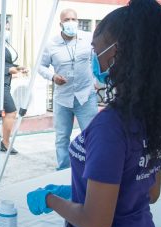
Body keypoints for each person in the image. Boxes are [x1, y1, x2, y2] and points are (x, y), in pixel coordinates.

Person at [27, 0, 161, 227]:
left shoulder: (110, 126)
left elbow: (96, 223)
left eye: (96, 48)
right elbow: (150, 192)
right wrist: (79, 194)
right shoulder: (150, 113)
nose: (93, 58)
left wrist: (51, 199)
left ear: (116, 53)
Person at [39, 9, 98, 170]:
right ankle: (63, 169)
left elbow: (97, 59)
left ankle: (91, 168)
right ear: (61, 23)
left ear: (78, 21)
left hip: (86, 96)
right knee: (61, 137)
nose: (71, 22)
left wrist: (95, 79)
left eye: (73, 19)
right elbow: (40, 66)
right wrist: (52, 77)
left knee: (92, 135)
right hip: (63, 99)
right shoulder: (51, 44)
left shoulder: (88, 38)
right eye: (67, 19)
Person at [0, 19, 26, 155]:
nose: (8, 31)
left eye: (9, 28)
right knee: (11, 111)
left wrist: (17, 68)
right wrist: (8, 70)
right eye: (5, 28)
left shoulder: (4, 44)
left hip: (3, 82)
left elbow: (4, 62)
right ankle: (5, 142)